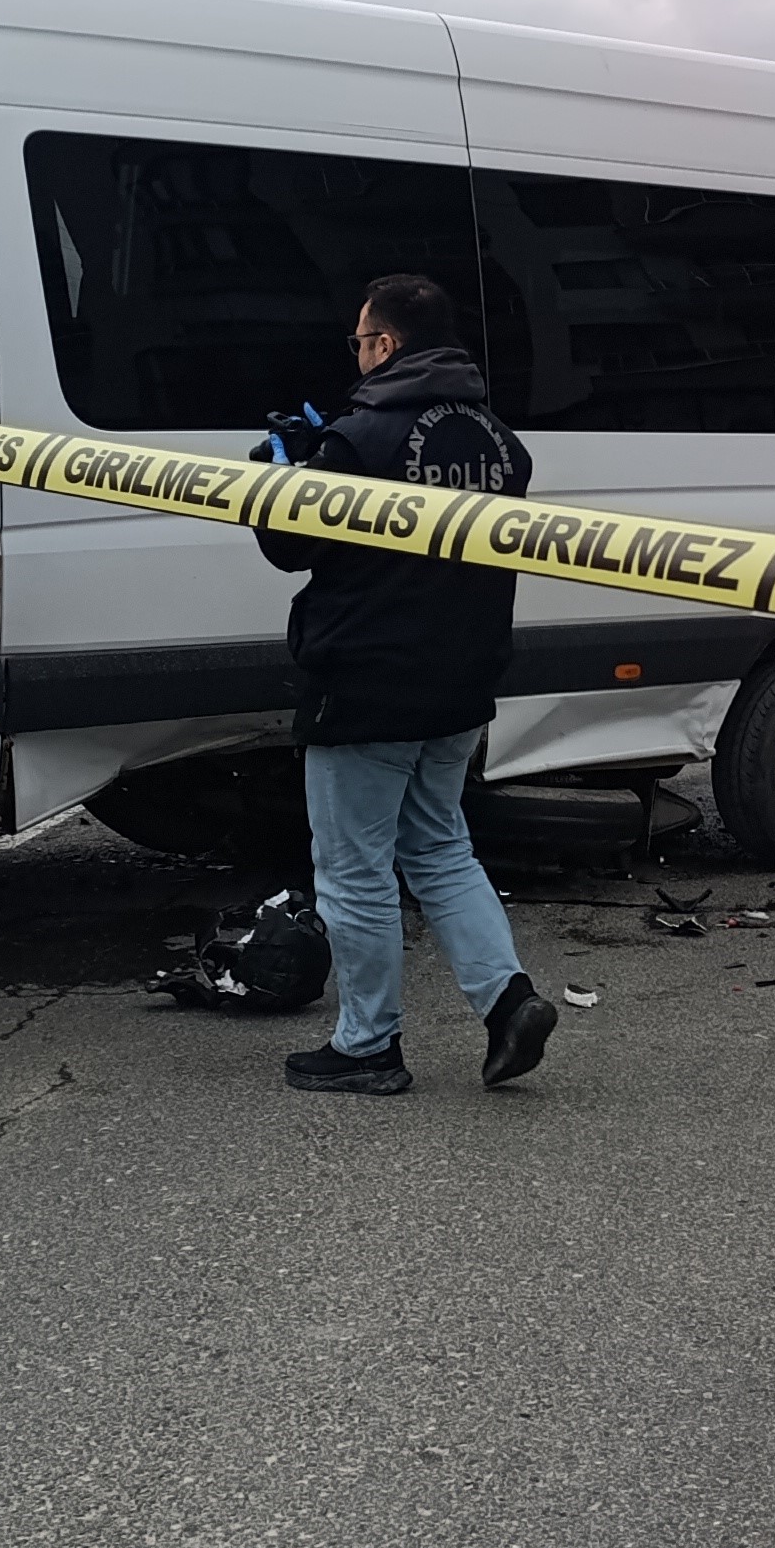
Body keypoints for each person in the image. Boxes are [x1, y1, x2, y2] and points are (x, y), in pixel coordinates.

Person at [249, 275, 558, 1097]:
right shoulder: (499, 441)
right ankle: (508, 1001)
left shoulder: (363, 440)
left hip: (366, 683)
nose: (356, 354)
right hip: (461, 681)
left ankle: (368, 1046)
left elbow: (290, 548)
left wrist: (285, 476)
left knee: (352, 870)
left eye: (360, 340)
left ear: (385, 345)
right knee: (440, 847)